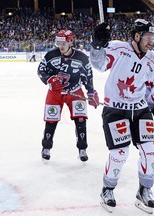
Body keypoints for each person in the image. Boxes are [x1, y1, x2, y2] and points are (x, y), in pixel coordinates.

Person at [90, 19, 154, 213]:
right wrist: (97, 45)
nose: (151, 42)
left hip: (140, 109)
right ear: (136, 36)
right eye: (148, 37)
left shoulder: (152, 58)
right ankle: (107, 190)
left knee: (150, 149)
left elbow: (152, 85)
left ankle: (145, 191)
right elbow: (99, 64)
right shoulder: (118, 49)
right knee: (120, 152)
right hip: (115, 109)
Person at [37, 29, 99, 162]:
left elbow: (88, 75)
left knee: (81, 120)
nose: (61, 46)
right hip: (55, 92)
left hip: (75, 91)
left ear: (71, 41)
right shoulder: (50, 55)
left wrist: (91, 91)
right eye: (58, 43)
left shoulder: (82, 57)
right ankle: (46, 147)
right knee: (51, 120)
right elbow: (40, 70)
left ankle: (82, 149)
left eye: (64, 42)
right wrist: (49, 79)